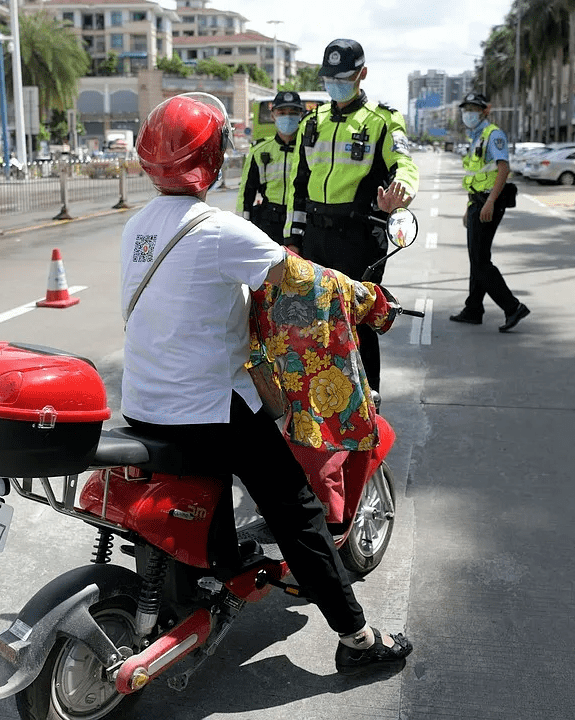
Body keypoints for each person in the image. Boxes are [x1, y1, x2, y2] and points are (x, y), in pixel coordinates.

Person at [122, 92, 412, 675]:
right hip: (210, 408)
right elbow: (303, 280)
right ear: (214, 157)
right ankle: (357, 638)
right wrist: (365, 298)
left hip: (142, 403)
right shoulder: (218, 228)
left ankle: (218, 569)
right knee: (296, 510)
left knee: (209, 483)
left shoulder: (135, 227)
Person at [287, 38, 419, 392]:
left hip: (360, 238)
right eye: (329, 78)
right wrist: (293, 240)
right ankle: (321, 405)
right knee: (314, 322)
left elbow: (403, 164)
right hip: (315, 236)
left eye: (343, 77)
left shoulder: (382, 121)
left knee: (357, 321)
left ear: (362, 74)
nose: (335, 84)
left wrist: (402, 191)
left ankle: (368, 407)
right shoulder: (312, 122)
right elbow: (298, 185)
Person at [448, 92, 530, 332]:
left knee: (481, 261)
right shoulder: (477, 137)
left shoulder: (493, 135)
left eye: (473, 109)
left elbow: (503, 169)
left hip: (488, 204)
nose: (468, 113)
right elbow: (476, 177)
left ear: (486, 111)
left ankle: (512, 307)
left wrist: (490, 202)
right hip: (477, 203)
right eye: (466, 109)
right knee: (477, 259)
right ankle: (473, 309)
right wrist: (469, 207)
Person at [236, 91, 305, 245]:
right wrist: (241, 230)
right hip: (268, 223)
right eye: (282, 112)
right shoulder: (260, 151)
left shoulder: (307, 149)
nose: (287, 117)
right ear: (273, 115)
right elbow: (245, 194)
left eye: (293, 113)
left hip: (300, 224)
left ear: (301, 115)